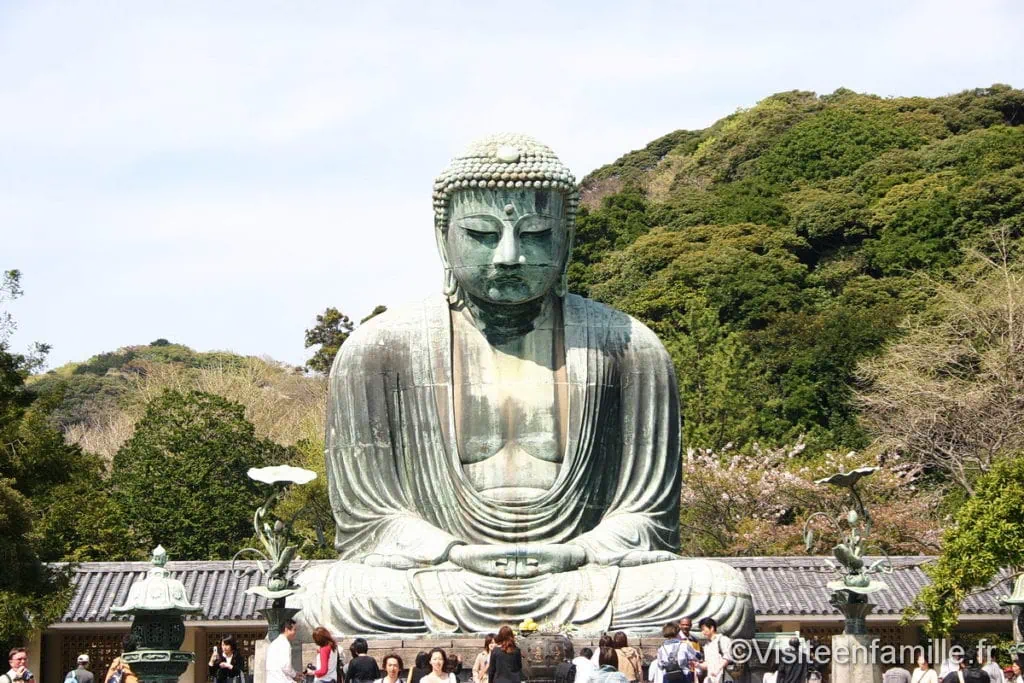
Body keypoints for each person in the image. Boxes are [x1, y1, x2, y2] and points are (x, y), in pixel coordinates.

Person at [291, 134, 755, 638]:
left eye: (534, 234)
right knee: (322, 594)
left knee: (717, 589)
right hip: (445, 576)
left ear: (568, 239)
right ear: (442, 235)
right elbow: (371, 520)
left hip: (583, 573)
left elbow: (648, 516)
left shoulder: (628, 347)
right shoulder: (379, 350)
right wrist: (455, 552)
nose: (509, 256)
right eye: (482, 234)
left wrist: (578, 551)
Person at [698, 618, 732, 683]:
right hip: (711, 679)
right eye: (701, 630)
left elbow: (727, 658)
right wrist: (698, 665)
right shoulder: (707, 645)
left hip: (724, 678)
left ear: (711, 628)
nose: (702, 632)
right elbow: (707, 664)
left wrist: (717, 670)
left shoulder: (723, 640)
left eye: (703, 629)